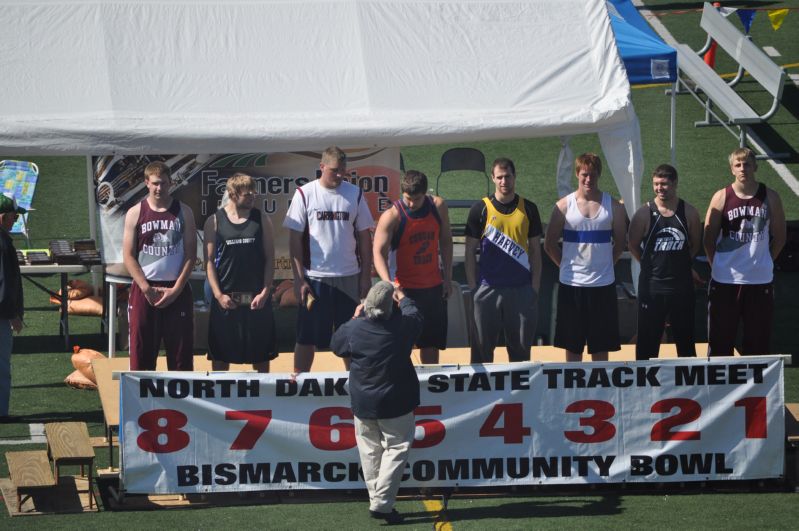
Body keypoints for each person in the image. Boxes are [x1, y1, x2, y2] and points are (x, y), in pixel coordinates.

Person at [330, 281, 422, 525]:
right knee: (397, 448)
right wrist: (402, 295)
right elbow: (415, 315)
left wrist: (354, 316)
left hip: (363, 401)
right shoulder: (402, 326)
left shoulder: (355, 328)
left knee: (370, 451)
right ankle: (381, 503)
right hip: (395, 401)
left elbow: (336, 345)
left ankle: (378, 500)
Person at [283, 146, 374, 375]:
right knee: (306, 336)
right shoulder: (305, 193)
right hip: (316, 279)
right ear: (321, 167)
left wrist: (365, 277)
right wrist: (299, 279)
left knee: (352, 337)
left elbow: (365, 237)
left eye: (343, 170)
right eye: (334, 170)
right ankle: (299, 381)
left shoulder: (354, 194)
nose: (340, 175)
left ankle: (356, 382)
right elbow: (294, 240)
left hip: (348, 277)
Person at [544, 153, 626, 362]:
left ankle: (600, 393)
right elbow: (549, 244)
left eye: (593, 175)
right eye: (584, 175)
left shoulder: (613, 206)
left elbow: (620, 243)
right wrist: (566, 267)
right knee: (572, 348)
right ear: (577, 175)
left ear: (599, 175)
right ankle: (573, 393)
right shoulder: (563, 206)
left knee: (601, 348)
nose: (589, 180)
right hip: (572, 286)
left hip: (602, 286)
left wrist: (607, 266)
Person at [703, 148, 786, 356]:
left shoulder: (771, 197)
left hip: (759, 280)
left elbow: (781, 237)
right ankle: (720, 388)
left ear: (755, 166)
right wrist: (717, 265)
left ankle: (754, 388)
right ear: (732, 169)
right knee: (720, 343)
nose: (743, 169)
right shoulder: (721, 196)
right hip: (726, 280)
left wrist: (766, 260)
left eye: (747, 164)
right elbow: (708, 238)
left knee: (757, 343)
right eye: (738, 165)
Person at [464, 158, 543, 363]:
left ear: (514, 177)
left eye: (507, 176)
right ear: (492, 178)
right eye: (499, 177)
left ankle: (519, 395)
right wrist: (474, 287)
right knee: (481, 354)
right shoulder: (480, 209)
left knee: (521, 354)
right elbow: (469, 251)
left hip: (521, 290)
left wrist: (534, 287)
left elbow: (535, 251)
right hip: (487, 290)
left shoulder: (530, 209)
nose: (503, 181)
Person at [373, 170, 453, 364]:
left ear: (425, 193)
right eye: (407, 198)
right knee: (401, 347)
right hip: (404, 291)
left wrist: (448, 278)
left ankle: (430, 390)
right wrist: (388, 283)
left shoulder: (438, 207)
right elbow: (378, 253)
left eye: (416, 199)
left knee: (431, 345)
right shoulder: (392, 215)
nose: (411, 203)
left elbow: (446, 241)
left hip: (432, 287)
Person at [122, 161, 196, 370]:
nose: (159, 188)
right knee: (141, 353)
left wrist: (177, 289)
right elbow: (128, 255)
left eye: (163, 183)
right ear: (146, 182)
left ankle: (182, 400)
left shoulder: (184, 212)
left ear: (171, 183)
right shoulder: (135, 212)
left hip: (176, 288)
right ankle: (143, 401)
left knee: (181, 356)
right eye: (154, 183)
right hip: (145, 289)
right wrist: (145, 288)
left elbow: (191, 254)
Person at [628, 164, 701, 360]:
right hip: (653, 288)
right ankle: (644, 386)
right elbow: (632, 244)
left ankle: (688, 387)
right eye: (656, 184)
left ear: (675, 183)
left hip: (681, 287)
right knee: (647, 342)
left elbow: (695, 244)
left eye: (664, 184)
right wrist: (647, 264)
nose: (659, 188)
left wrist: (684, 264)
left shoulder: (689, 212)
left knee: (685, 341)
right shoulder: (644, 213)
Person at [205, 173, 276, 372]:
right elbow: (209, 262)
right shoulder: (215, 221)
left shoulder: (261, 219)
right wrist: (218, 295)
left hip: (256, 300)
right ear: (233, 194)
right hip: (226, 300)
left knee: (261, 356)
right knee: (220, 357)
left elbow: (270, 257)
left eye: (254, 192)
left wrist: (265, 291)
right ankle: (219, 399)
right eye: (247, 194)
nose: (253, 197)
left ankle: (263, 397)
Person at [0, 195, 25, 422]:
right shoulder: (2, 244)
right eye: (13, 217)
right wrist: (12, 315)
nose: (15, 221)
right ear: (2, 218)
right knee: (1, 367)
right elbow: (4, 284)